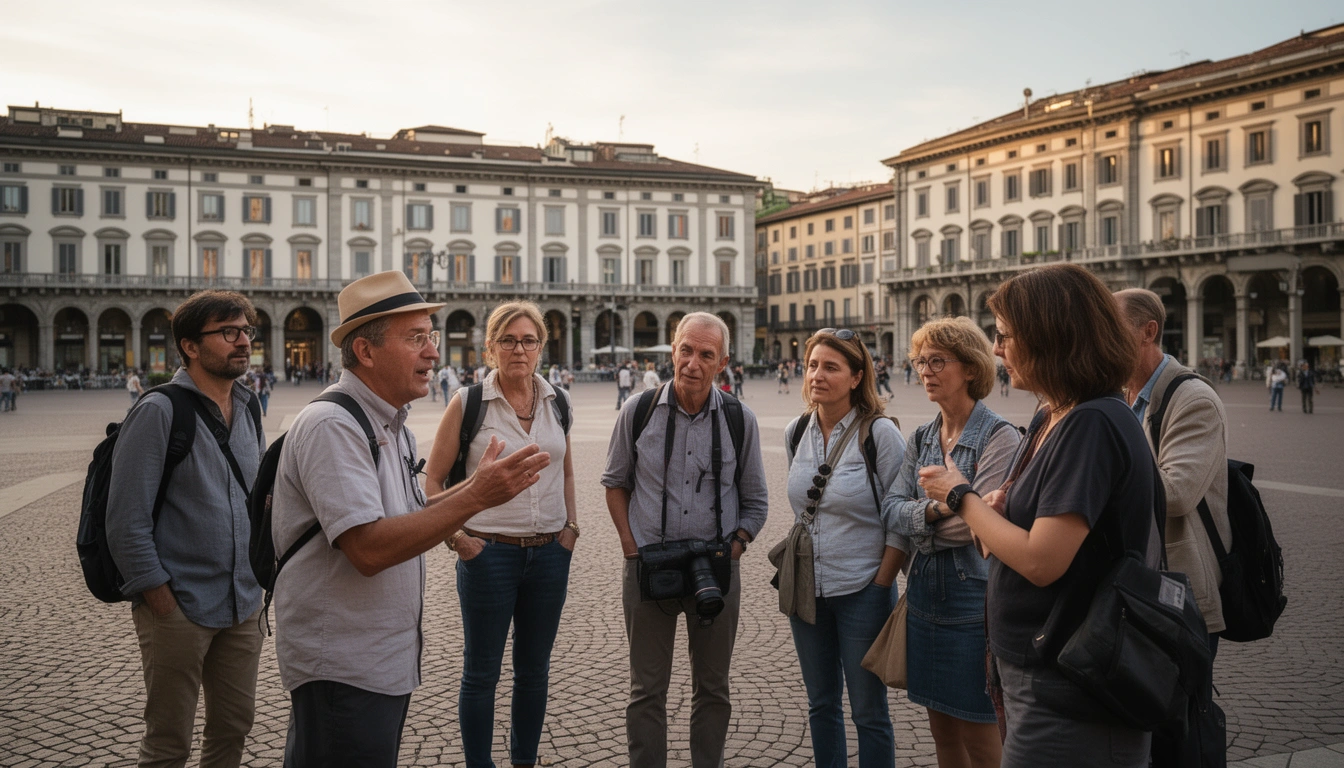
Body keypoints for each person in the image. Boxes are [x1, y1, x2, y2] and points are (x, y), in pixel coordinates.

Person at [272, 271, 550, 767]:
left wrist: (478, 486)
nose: (433, 352)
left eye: (432, 336)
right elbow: (368, 549)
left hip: (379, 661)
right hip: (343, 667)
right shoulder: (333, 425)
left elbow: (413, 513)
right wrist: (475, 497)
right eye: (416, 338)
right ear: (365, 351)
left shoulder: (391, 424)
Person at [918, 264, 1158, 767]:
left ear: (1052, 337)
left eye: (1005, 336)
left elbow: (1041, 561)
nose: (996, 350)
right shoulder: (1053, 413)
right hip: (1035, 667)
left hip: (1071, 681)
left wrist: (961, 496)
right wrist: (994, 513)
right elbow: (996, 539)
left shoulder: (1092, 423)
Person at [105, 291, 267, 768]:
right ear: (190, 346)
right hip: (180, 605)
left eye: (246, 331)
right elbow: (126, 520)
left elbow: (256, 498)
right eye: (228, 332)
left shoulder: (249, 406)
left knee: (233, 728)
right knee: (168, 741)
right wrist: (162, 601)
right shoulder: (158, 411)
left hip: (243, 603)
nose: (243, 341)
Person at [601, 312, 769, 768]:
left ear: (723, 362)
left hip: (714, 571)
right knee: (646, 690)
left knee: (713, 689)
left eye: (706, 355)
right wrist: (631, 550)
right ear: (674, 350)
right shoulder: (637, 411)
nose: (693, 363)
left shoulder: (739, 419)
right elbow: (615, 483)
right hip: (648, 567)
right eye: (686, 350)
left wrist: (733, 549)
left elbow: (756, 501)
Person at [424, 301, 578, 768]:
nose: (519, 349)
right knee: (481, 673)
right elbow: (433, 482)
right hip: (488, 554)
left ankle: (524, 760)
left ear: (541, 347)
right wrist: (459, 539)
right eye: (508, 340)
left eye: (528, 340)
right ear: (490, 347)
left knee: (534, 672)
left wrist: (570, 529)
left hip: (549, 554)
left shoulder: (558, 401)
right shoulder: (468, 403)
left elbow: (568, 472)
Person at [886, 317, 1020, 768]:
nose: (925, 371)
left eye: (937, 361)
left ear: (970, 368)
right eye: (920, 361)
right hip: (923, 597)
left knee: (980, 736)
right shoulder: (922, 437)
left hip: (973, 604)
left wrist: (945, 515)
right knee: (941, 731)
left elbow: (978, 528)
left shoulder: (999, 435)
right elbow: (891, 510)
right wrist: (944, 507)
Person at [1115, 288, 1231, 765]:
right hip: (1135, 587)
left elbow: (1177, 493)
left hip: (1179, 595)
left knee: (1177, 730)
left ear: (1149, 332)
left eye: (1112, 329)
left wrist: (1097, 479)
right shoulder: (1119, 395)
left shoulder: (1193, 398)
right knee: (1137, 725)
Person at [784, 328, 905, 768]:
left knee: (869, 711)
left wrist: (881, 583)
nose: (817, 375)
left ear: (856, 377)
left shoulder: (880, 435)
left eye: (831, 367)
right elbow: (803, 510)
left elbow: (900, 518)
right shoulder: (797, 431)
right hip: (806, 589)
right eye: (812, 365)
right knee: (821, 703)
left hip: (862, 590)